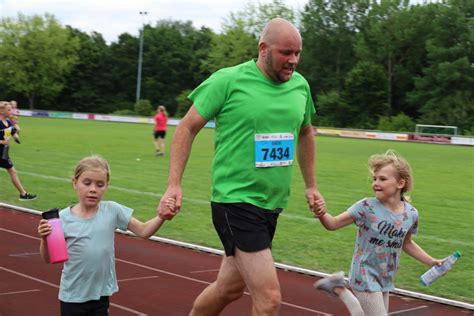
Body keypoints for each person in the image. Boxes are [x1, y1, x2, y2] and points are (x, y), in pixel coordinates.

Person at [157, 18, 324, 316]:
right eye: (286, 52)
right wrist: (174, 184)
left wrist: (311, 185)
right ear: (263, 48)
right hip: (235, 201)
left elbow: (306, 132)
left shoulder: (300, 86)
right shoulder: (227, 80)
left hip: (271, 204)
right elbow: (186, 128)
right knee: (269, 299)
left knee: (229, 289)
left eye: (298, 53)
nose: (293, 61)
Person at [37, 155, 177, 316]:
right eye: (87, 183)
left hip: (100, 296)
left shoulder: (112, 210)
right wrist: (44, 239)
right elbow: (48, 259)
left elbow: (144, 231)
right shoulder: (62, 219)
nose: (93, 189)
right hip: (73, 297)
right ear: (75, 183)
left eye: (100, 184)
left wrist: (162, 217)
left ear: (106, 187)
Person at [312, 150, 443, 316]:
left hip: (385, 276)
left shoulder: (411, 214)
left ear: (400, 183)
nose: (375, 183)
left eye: (382, 179)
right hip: (364, 274)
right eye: (375, 179)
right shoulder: (366, 207)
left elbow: (406, 243)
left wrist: (431, 261)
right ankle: (339, 288)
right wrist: (321, 213)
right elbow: (333, 224)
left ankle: (338, 288)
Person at [0, 101, 37, 200]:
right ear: (2, 111)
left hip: (3, 153)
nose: (11, 111)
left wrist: (16, 136)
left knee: (12, 171)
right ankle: (23, 194)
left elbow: (13, 132)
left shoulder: (8, 122)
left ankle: (23, 194)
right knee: (12, 171)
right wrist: (2, 142)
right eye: (8, 110)